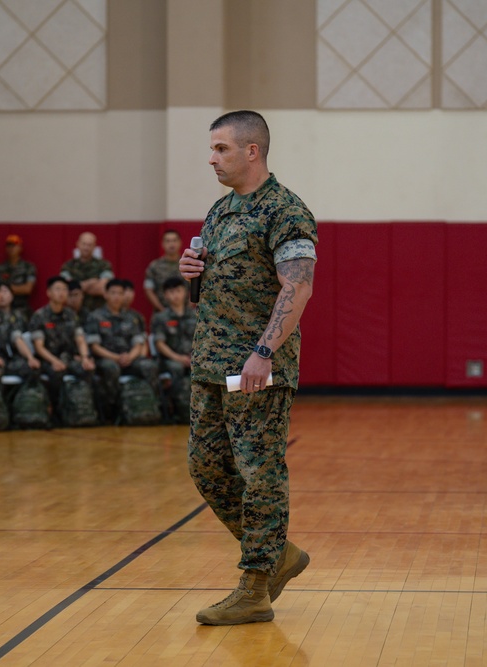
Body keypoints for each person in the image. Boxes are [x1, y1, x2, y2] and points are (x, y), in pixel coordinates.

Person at [179, 110, 317, 625]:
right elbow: (211, 291)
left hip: (257, 367)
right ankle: (278, 554)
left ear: (251, 151)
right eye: (212, 149)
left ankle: (255, 585)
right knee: (207, 468)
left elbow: (298, 287)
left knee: (259, 473)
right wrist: (191, 272)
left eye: (221, 149)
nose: (212, 159)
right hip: (211, 364)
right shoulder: (220, 212)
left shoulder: (285, 211)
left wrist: (263, 352)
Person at [84, 279, 157, 418]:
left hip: (129, 359)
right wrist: (116, 358)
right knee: (111, 368)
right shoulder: (95, 316)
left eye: (120, 293)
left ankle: (151, 406)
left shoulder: (132, 317)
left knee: (149, 366)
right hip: (105, 359)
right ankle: (112, 409)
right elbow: (94, 346)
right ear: (105, 294)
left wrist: (130, 356)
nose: (116, 297)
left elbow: (138, 343)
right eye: (113, 293)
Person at [28, 276, 96, 411]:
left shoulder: (71, 315)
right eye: (58, 289)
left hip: (69, 358)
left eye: (65, 289)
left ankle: (83, 408)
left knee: (88, 369)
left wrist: (85, 358)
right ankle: (55, 408)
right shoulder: (40, 316)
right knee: (57, 372)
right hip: (48, 359)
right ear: (49, 293)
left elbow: (80, 339)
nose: (62, 293)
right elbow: (39, 347)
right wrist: (54, 361)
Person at [151, 276, 196, 387]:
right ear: (165, 295)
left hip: (194, 357)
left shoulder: (195, 315)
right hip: (170, 359)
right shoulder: (161, 318)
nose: (175, 295)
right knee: (176, 368)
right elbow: (159, 343)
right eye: (171, 292)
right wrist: (178, 358)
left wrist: (194, 356)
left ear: (185, 292)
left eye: (178, 291)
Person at [61, 232, 114, 313]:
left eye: (89, 245)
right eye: (84, 244)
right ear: (78, 244)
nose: (86, 247)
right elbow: (66, 289)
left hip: (98, 313)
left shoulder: (104, 265)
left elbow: (103, 288)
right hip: (74, 313)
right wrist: (91, 282)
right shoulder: (68, 266)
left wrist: (78, 286)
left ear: (94, 246)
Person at [0, 235, 37, 320]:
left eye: (15, 245)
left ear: (20, 248)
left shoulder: (28, 267)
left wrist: (7, 289)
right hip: (1, 309)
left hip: (22, 308)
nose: (12, 248)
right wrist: (16, 289)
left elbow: (27, 289)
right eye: (9, 246)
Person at [145, 229, 185, 312]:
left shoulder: (186, 264)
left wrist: (187, 309)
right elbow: (148, 289)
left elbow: (195, 288)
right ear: (162, 244)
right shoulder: (154, 266)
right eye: (168, 241)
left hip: (185, 314)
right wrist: (162, 310)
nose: (171, 244)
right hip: (161, 313)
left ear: (180, 242)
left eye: (174, 240)